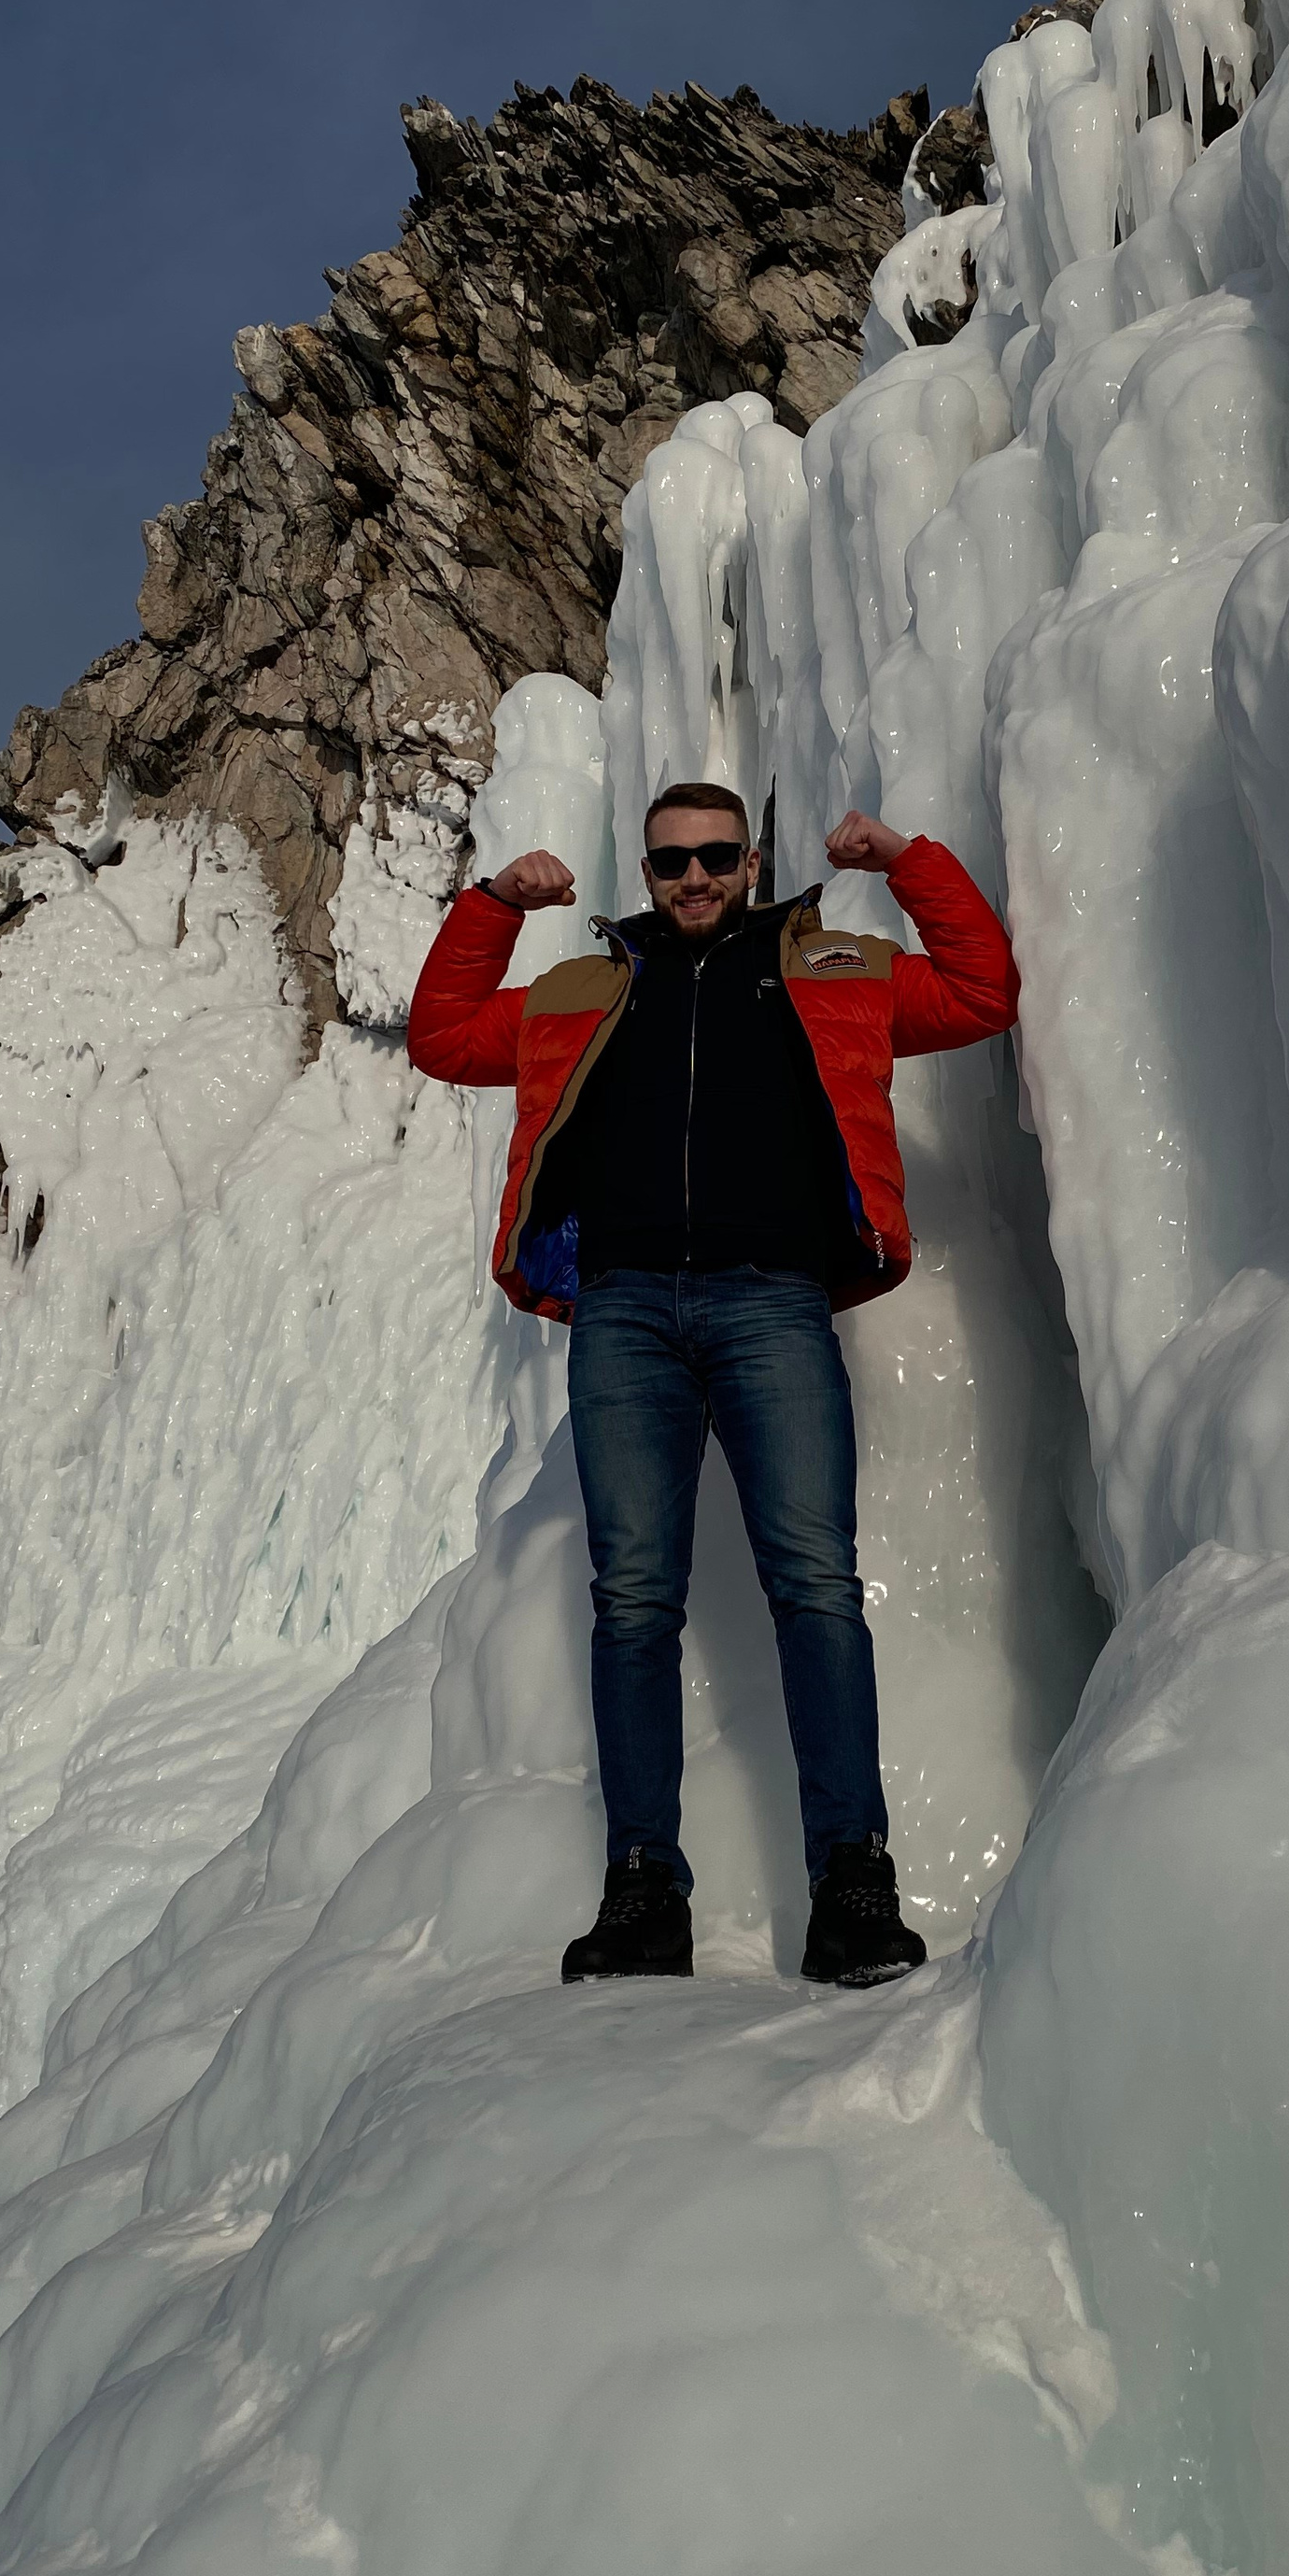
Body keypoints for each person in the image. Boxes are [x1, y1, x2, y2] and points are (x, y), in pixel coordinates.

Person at [406, 781, 1020, 1988]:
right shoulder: (585, 991)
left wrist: (903, 859)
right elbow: (441, 1036)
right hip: (625, 1313)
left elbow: (982, 988)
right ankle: (643, 1888)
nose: (694, 878)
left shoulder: (832, 968)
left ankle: (854, 1884)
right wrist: (492, 905)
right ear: (645, 872)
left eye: (717, 857)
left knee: (815, 1583)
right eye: (672, 861)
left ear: (752, 863)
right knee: (634, 1599)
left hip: (769, 1300)